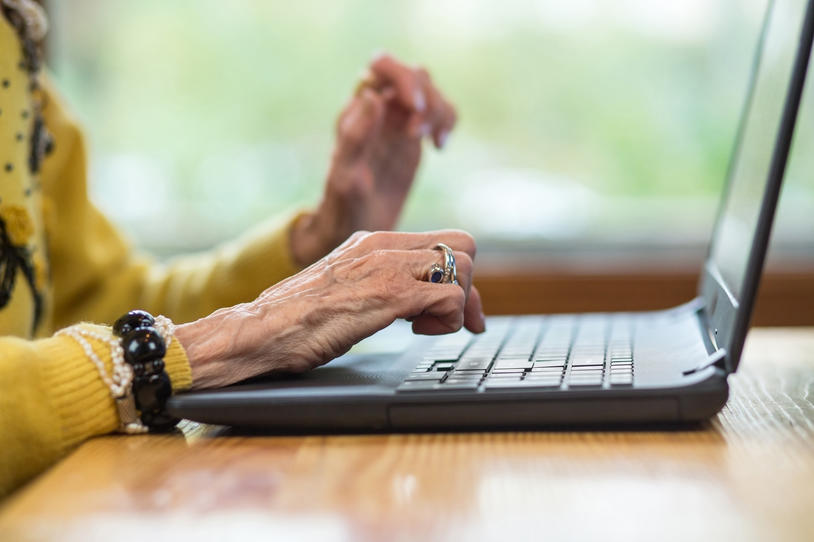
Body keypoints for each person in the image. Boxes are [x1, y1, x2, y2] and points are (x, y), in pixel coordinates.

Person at [0, 0, 485, 497]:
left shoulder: (17, 53)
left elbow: (104, 306)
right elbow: (124, 351)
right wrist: (228, 339)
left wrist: (317, 246)